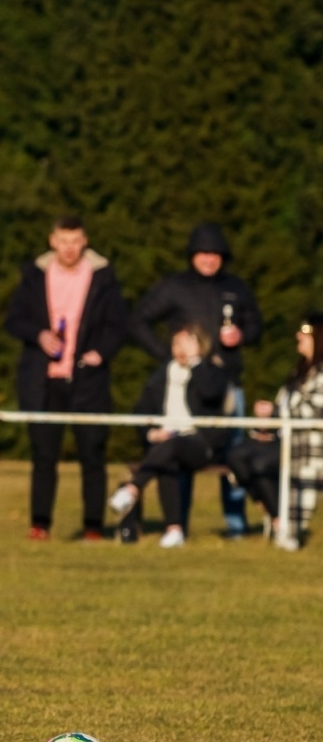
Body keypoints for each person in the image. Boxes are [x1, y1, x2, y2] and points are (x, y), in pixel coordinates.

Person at [131, 223, 263, 535]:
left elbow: (257, 325)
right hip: (186, 391)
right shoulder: (174, 287)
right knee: (181, 451)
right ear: (192, 255)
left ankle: (236, 526)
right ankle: (179, 524)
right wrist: (167, 354)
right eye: (203, 253)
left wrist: (242, 335)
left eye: (215, 253)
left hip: (227, 387)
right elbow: (137, 321)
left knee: (233, 458)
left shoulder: (237, 287)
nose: (209, 259)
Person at [4, 216, 128, 540]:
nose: (69, 248)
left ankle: (93, 527)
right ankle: (40, 525)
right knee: (44, 457)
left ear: (84, 242)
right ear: (52, 241)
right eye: (63, 241)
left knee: (92, 456)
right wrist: (39, 335)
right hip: (43, 382)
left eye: (75, 241)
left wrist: (101, 353)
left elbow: (119, 324)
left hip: (89, 381)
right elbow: (13, 320)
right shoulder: (34, 276)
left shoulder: (103, 277)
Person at [108, 326, 230, 548]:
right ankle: (174, 531)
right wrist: (150, 432)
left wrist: (196, 362)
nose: (180, 349)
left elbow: (210, 393)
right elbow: (141, 410)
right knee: (167, 457)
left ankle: (132, 489)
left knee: (171, 446)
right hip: (167, 445)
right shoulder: (162, 375)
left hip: (201, 444)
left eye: (186, 343)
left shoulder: (212, 371)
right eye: (176, 343)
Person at [225, 317, 323, 549]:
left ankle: (285, 525)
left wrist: (278, 412)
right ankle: (277, 515)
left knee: (259, 465)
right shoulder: (298, 371)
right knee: (236, 456)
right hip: (284, 439)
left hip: (309, 447)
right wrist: (269, 416)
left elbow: (314, 411)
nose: (298, 337)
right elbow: (286, 407)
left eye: (305, 333)